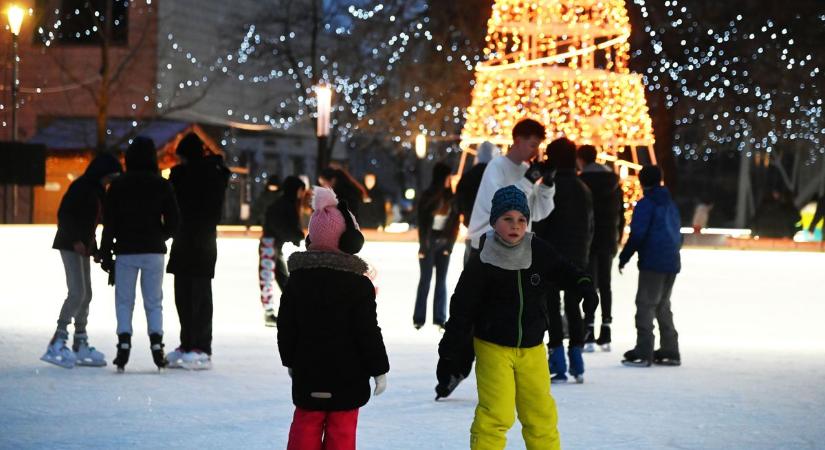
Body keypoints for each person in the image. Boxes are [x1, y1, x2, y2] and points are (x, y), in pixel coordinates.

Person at [435, 186, 598, 450]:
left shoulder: (538, 251)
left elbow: (564, 270)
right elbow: (462, 307)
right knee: (497, 413)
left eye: (521, 219)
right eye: (507, 219)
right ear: (494, 221)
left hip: (532, 348)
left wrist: (584, 286)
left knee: (540, 413)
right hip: (493, 347)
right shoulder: (482, 260)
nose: (516, 225)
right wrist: (449, 349)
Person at [278, 187, 389, 450]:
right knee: (342, 431)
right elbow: (367, 332)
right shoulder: (358, 285)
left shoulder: (297, 281)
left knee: (306, 424)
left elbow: (286, 325)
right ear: (350, 241)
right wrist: (379, 368)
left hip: (308, 373)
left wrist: (290, 359)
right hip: (348, 379)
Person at [99, 137, 180, 372]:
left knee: (125, 301)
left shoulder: (118, 185)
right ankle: (157, 345)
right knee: (154, 302)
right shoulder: (161, 185)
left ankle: (123, 343)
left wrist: (106, 253)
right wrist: (160, 235)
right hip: (154, 251)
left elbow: (109, 223)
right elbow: (175, 222)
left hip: (125, 250)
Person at [41, 153, 123, 368]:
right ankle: (57, 341)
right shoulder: (82, 188)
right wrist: (76, 239)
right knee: (77, 293)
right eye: (110, 177)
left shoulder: (98, 191)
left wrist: (94, 249)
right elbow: (65, 215)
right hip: (70, 245)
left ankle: (80, 341)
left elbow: (92, 224)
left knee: (86, 295)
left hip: (83, 246)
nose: (110, 182)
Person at [164, 133, 230, 370]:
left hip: (198, 241)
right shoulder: (190, 175)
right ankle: (188, 343)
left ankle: (201, 346)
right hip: (189, 241)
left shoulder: (208, 175)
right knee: (185, 294)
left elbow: (209, 210)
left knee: (197, 295)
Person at [532, 138, 594, 383]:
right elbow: (590, 225)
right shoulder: (583, 187)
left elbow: (542, 221)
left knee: (551, 306)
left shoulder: (550, 185)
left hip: (551, 254)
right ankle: (577, 358)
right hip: (578, 255)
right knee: (573, 305)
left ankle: (557, 359)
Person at [618, 166, 682, 367]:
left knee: (645, 305)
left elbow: (638, 234)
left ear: (642, 181)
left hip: (653, 261)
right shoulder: (670, 203)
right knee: (662, 304)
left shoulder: (647, 204)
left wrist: (624, 256)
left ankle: (644, 350)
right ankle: (670, 349)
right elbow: (678, 233)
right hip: (671, 260)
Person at [466, 119, 556, 253]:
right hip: (487, 247)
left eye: (538, 146)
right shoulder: (497, 166)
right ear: (518, 141)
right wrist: (529, 180)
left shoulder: (526, 170)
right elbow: (501, 205)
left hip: (515, 249)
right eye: (533, 145)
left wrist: (547, 185)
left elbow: (536, 213)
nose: (536, 152)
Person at [577, 144, 625, 352]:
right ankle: (606, 330)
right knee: (605, 284)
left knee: (589, 283)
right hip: (607, 239)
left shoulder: (580, 182)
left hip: (587, 240)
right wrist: (618, 238)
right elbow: (621, 216)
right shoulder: (614, 182)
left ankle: (588, 328)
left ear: (581, 159)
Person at [414, 162, 460, 330]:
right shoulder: (428, 196)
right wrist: (423, 246)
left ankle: (440, 318)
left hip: (444, 242)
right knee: (425, 280)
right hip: (429, 242)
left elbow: (455, 224)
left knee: (441, 281)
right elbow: (422, 223)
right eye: (448, 177)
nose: (450, 180)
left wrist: (450, 246)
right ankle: (419, 318)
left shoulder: (452, 198)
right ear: (442, 177)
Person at [259, 176, 306, 326]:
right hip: (269, 244)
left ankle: (288, 310)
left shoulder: (285, 203)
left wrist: (295, 236)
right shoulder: (284, 204)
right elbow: (279, 226)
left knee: (281, 278)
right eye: (301, 190)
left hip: (273, 244)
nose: (302, 194)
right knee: (270, 277)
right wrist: (295, 236)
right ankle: (270, 313)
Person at [455, 141, 499, 263]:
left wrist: (464, 217)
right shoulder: (496, 175)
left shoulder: (468, 176)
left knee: (470, 265)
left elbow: (458, 200)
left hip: (472, 226)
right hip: (493, 229)